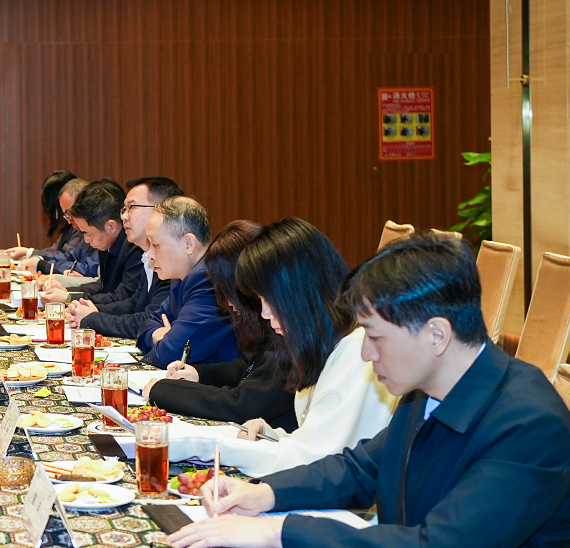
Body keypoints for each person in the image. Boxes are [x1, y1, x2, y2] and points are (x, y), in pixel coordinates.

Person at [170, 234, 570, 548]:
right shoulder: (429, 388)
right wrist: (263, 494)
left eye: (376, 338)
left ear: (437, 335)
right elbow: (360, 467)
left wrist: (281, 530)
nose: (365, 355)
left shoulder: (528, 425)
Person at [163, 218, 398, 475]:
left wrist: (207, 446)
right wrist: (272, 435)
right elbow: (316, 438)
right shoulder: (324, 345)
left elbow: (317, 463)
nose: (264, 313)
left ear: (299, 293)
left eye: (268, 300)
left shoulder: (358, 351)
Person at [143, 220, 299, 431]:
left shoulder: (288, 326)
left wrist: (164, 391)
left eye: (227, 291)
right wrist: (199, 374)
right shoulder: (270, 321)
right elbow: (250, 368)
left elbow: (243, 404)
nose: (226, 302)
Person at [64, 176, 183, 339]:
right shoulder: (147, 255)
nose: (124, 216)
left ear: (161, 211)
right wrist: (91, 310)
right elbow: (133, 304)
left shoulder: (173, 262)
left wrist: (92, 318)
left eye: (131, 207)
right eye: (124, 209)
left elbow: (149, 320)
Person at [135, 197, 239, 366]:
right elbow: (147, 323)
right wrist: (158, 335)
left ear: (189, 244)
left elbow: (171, 354)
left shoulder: (209, 281)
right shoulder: (183, 277)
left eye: (155, 244)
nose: (150, 254)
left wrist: (168, 339)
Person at [38, 181, 144, 305]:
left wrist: (68, 298)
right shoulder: (107, 243)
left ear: (111, 227)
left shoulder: (134, 248)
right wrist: (67, 291)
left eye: (88, 234)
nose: (86, 240)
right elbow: (103, 286)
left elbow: (121, 298)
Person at [2, 171, 80, 272]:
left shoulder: (79, 227)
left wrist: (37, 261)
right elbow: (56, 250)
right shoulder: (70, 225)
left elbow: (67, 257)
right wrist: (30, 253)